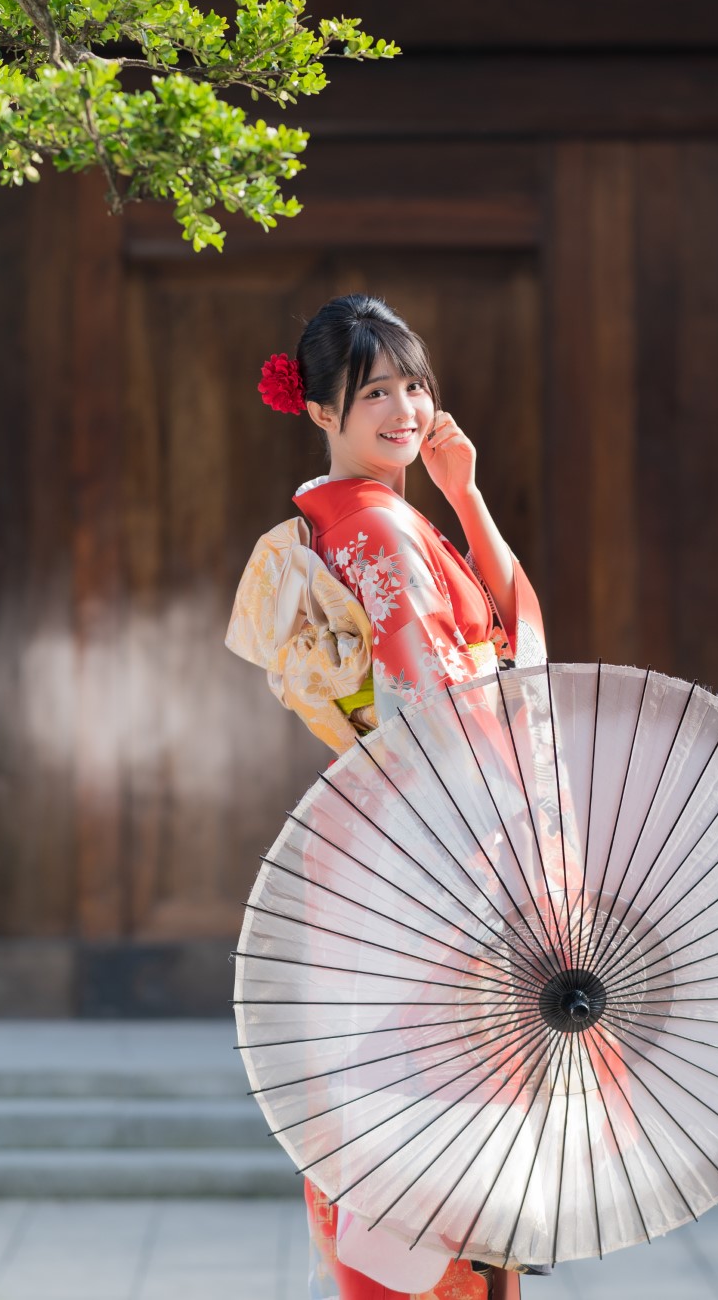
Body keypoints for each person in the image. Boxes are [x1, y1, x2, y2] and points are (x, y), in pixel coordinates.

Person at [227, 293, 547, 1300]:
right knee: (442, 1106)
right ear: (321, 409)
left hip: (390, 836)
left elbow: (505, 643)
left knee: (388, 1100)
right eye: (375, 392)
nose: (406, 408)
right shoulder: (377, 528)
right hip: (443, 844)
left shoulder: (372, 519)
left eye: (416, 385)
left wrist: (465, 495)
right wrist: (527, 846)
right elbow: (442, 705)